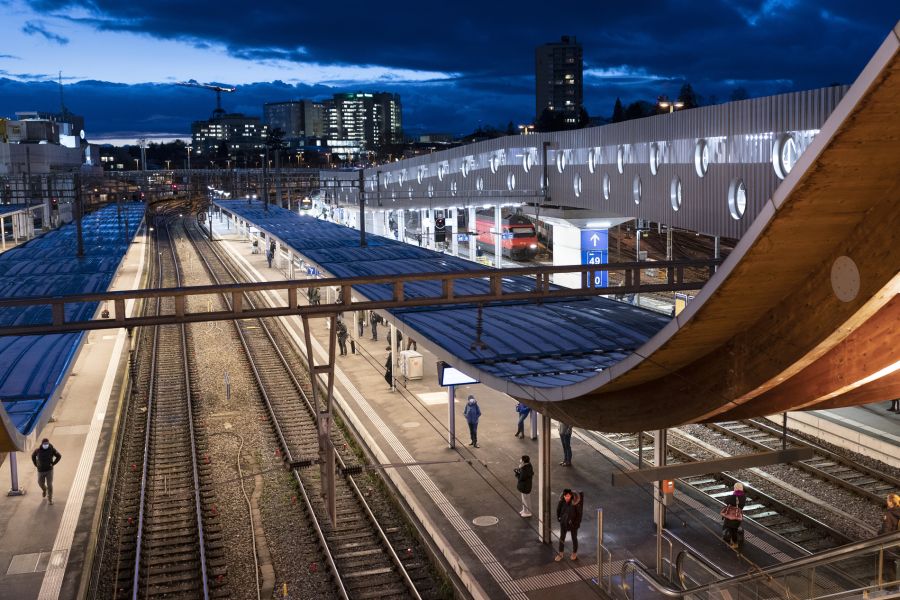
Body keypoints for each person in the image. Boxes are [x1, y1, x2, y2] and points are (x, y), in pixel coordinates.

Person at [878, 493, 900, 586]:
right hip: (898, 544)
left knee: (889, 565)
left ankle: (892, 587)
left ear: (891, 502)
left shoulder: (889, 514)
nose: (886, 502)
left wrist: (879, 534)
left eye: (887, 500)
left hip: (890, 545)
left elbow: (886, 532)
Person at [555, 489, 583, 561]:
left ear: (570, 495)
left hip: (573, 524)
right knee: (562, 538)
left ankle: (574, 553)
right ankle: (560, 553)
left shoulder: (575, 503)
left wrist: (576, 524)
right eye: (565, 496)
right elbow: (558, 510)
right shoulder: (561, 502)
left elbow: (579, 515)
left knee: (574, 538)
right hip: (564, 523)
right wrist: (559, 518)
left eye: (568, 496)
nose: (566, 497)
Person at [31, 438, 62, 504]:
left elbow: (59, 456)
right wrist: (36, 464)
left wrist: (53, 463)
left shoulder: (52, 449)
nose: (46, 445)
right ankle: (44, 490)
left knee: (49, 484)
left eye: (47, 444)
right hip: (40, 471)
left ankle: (50, 499)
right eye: (45, 444)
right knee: (40, 483)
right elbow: (33, 456)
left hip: (49, 471)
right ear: (42, 444)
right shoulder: (38, 450)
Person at [721, 482, 746, 549]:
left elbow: (725, 500)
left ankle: (734, 543)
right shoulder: (743, 497)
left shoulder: (733, 497)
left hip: (730, 517)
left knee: (727, 528)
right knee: (734, 529)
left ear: (735, 489)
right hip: (737, 516)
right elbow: (742, 506)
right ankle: (734, 542)